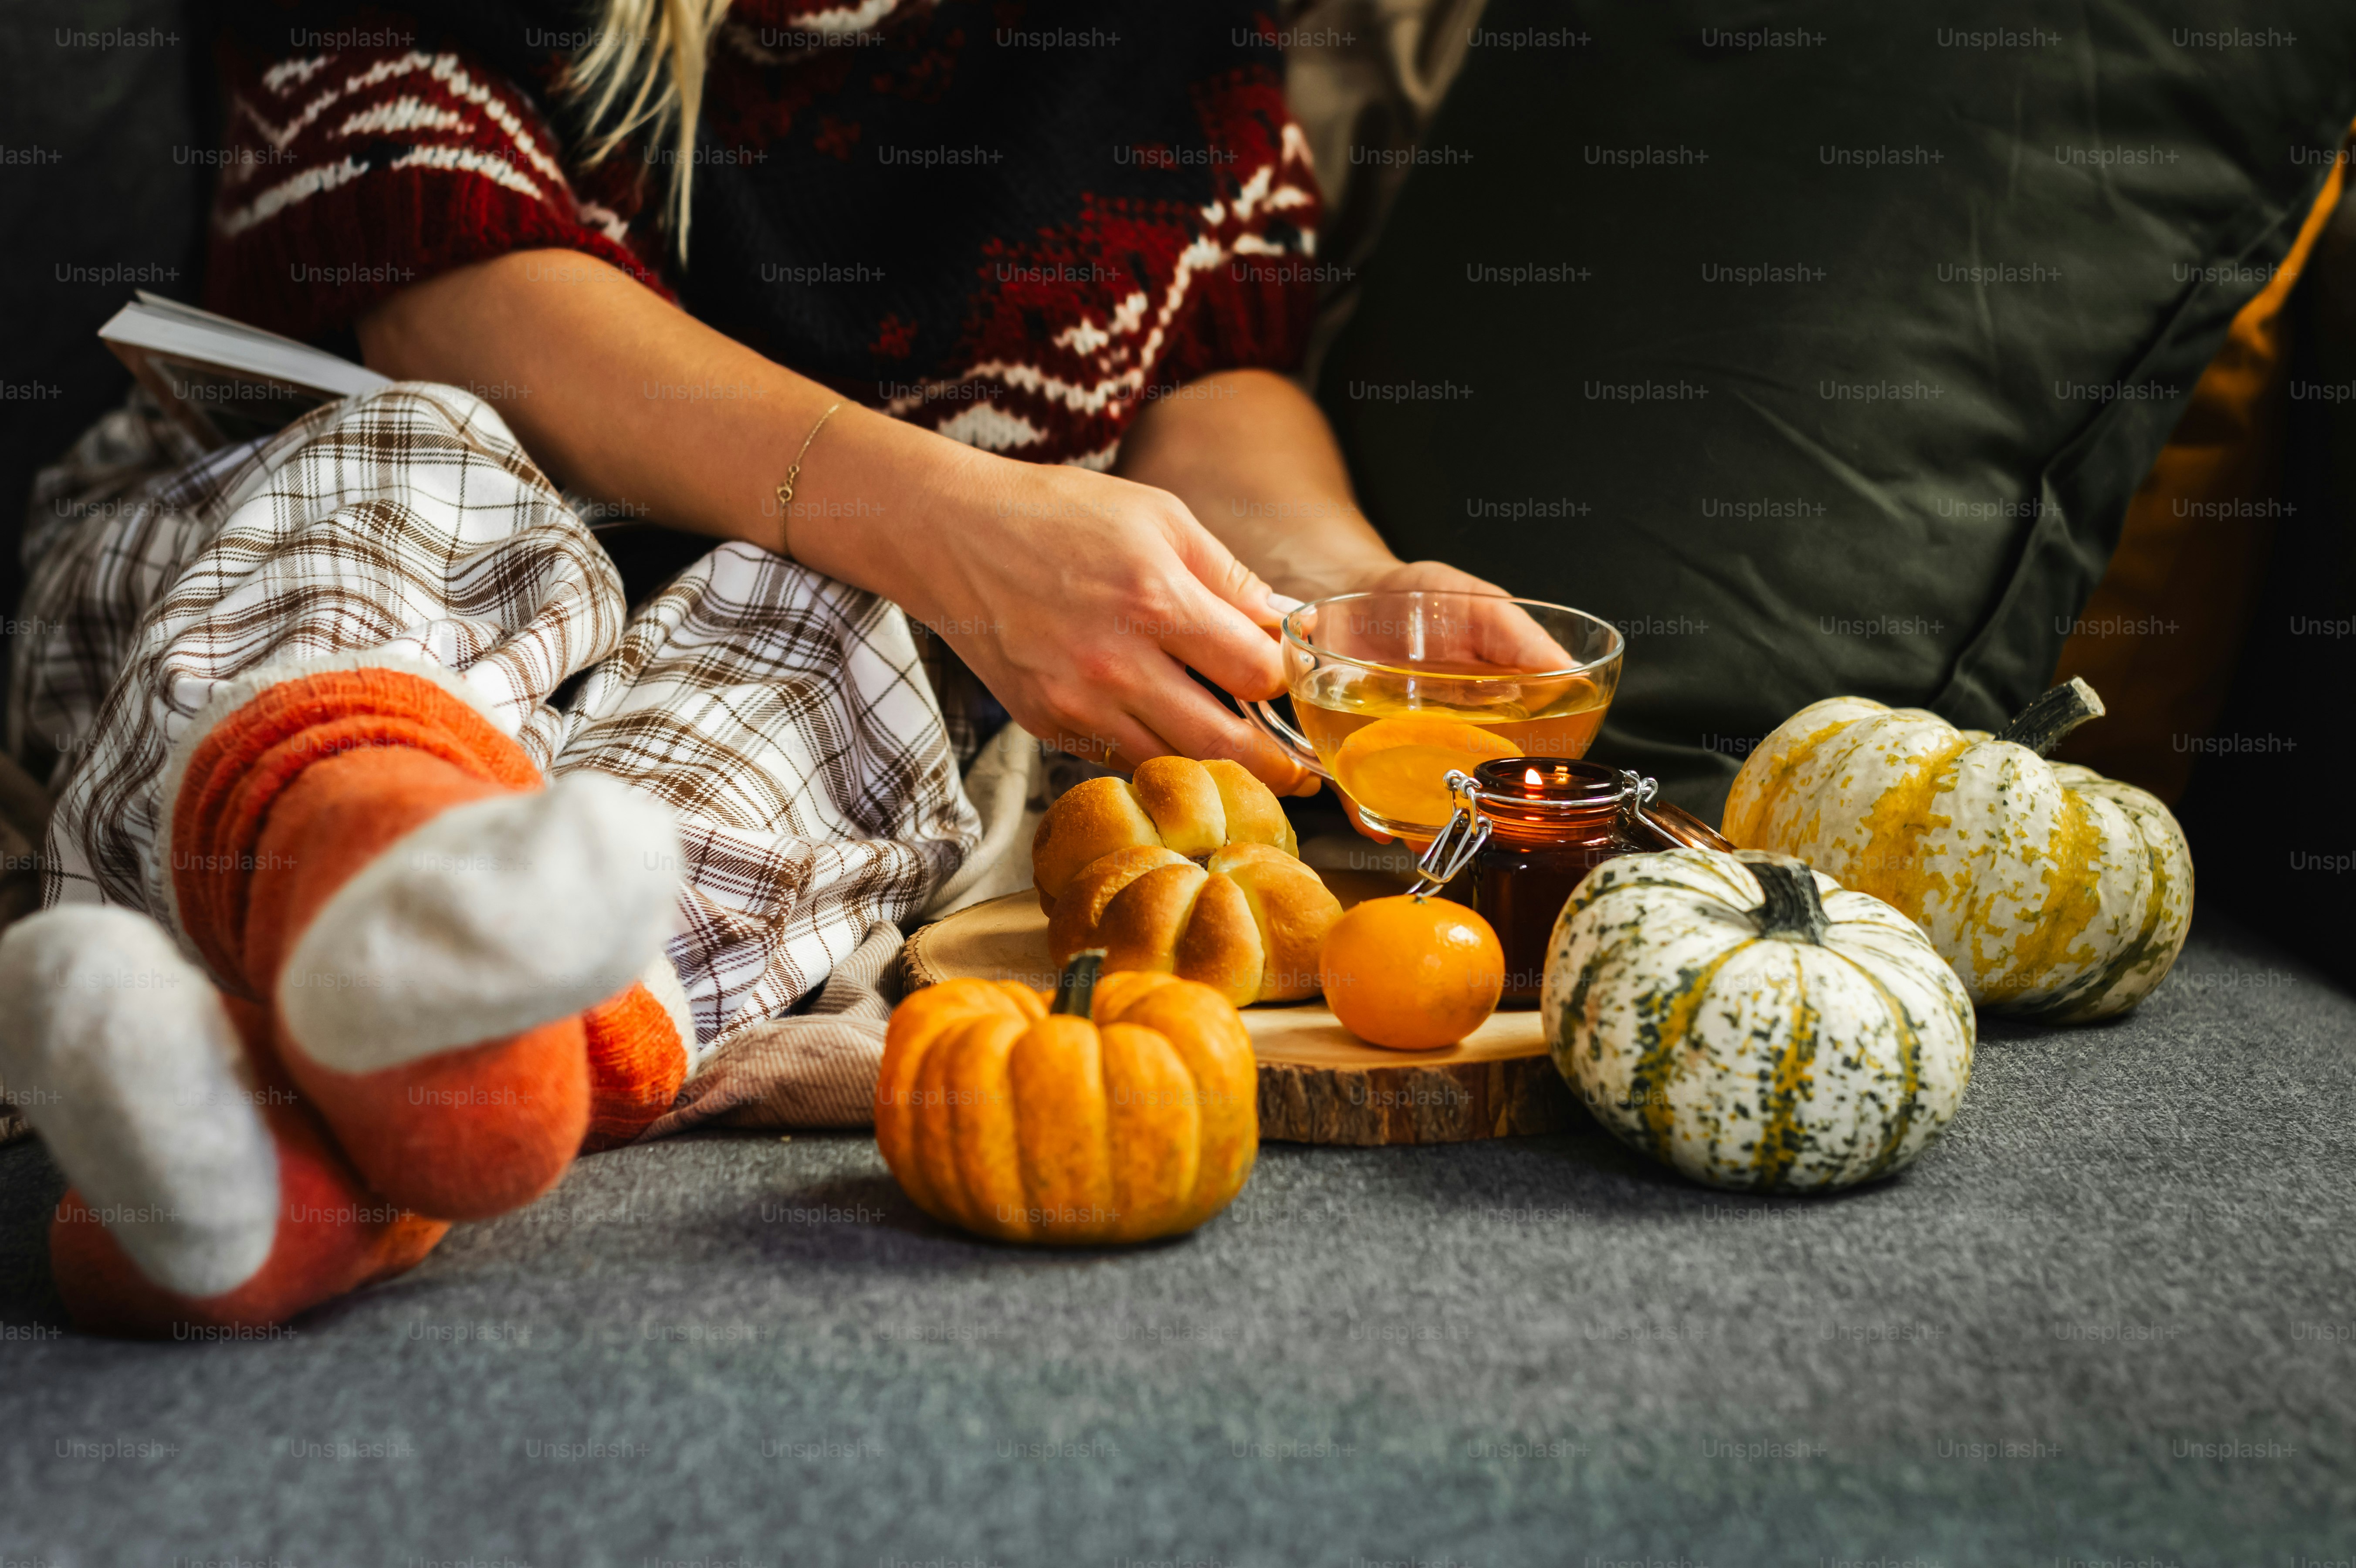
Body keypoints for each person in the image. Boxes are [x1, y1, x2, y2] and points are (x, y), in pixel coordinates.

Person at [0, 0, 1489, 1336]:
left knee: (845, 675)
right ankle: (355, 848)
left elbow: (1212, 382)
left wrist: (1352, 599)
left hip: (845, 612)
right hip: (366, 525)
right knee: (413, 465)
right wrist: (959, 530)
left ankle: (268, 1189)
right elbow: (448, 287)